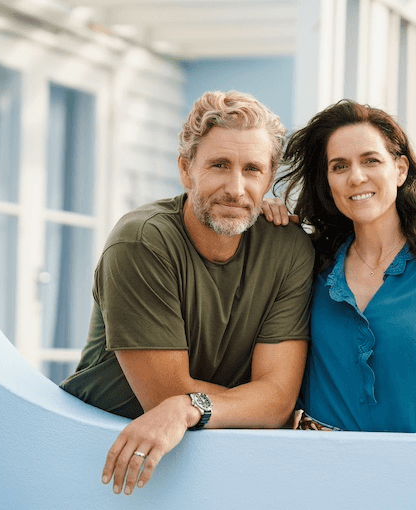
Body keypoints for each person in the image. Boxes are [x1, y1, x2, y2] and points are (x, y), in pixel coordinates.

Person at [60, 90, 314, 495]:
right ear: (186, 169)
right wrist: (251, 405)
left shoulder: (287, 248)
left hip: (221, 462)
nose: (235, 187)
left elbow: (278, 400)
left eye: (252, 169)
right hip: (101, 453)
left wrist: (193, 405)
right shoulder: (142, 242)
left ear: (269, 178)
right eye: (219, 165)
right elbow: (166, 394)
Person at [266, 99, 416, 434]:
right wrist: (261, 225)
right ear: (328, 181)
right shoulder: (308, 264)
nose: (356, 177)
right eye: (339, 166)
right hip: (324, 472)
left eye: (371, 161)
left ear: (400, 169)